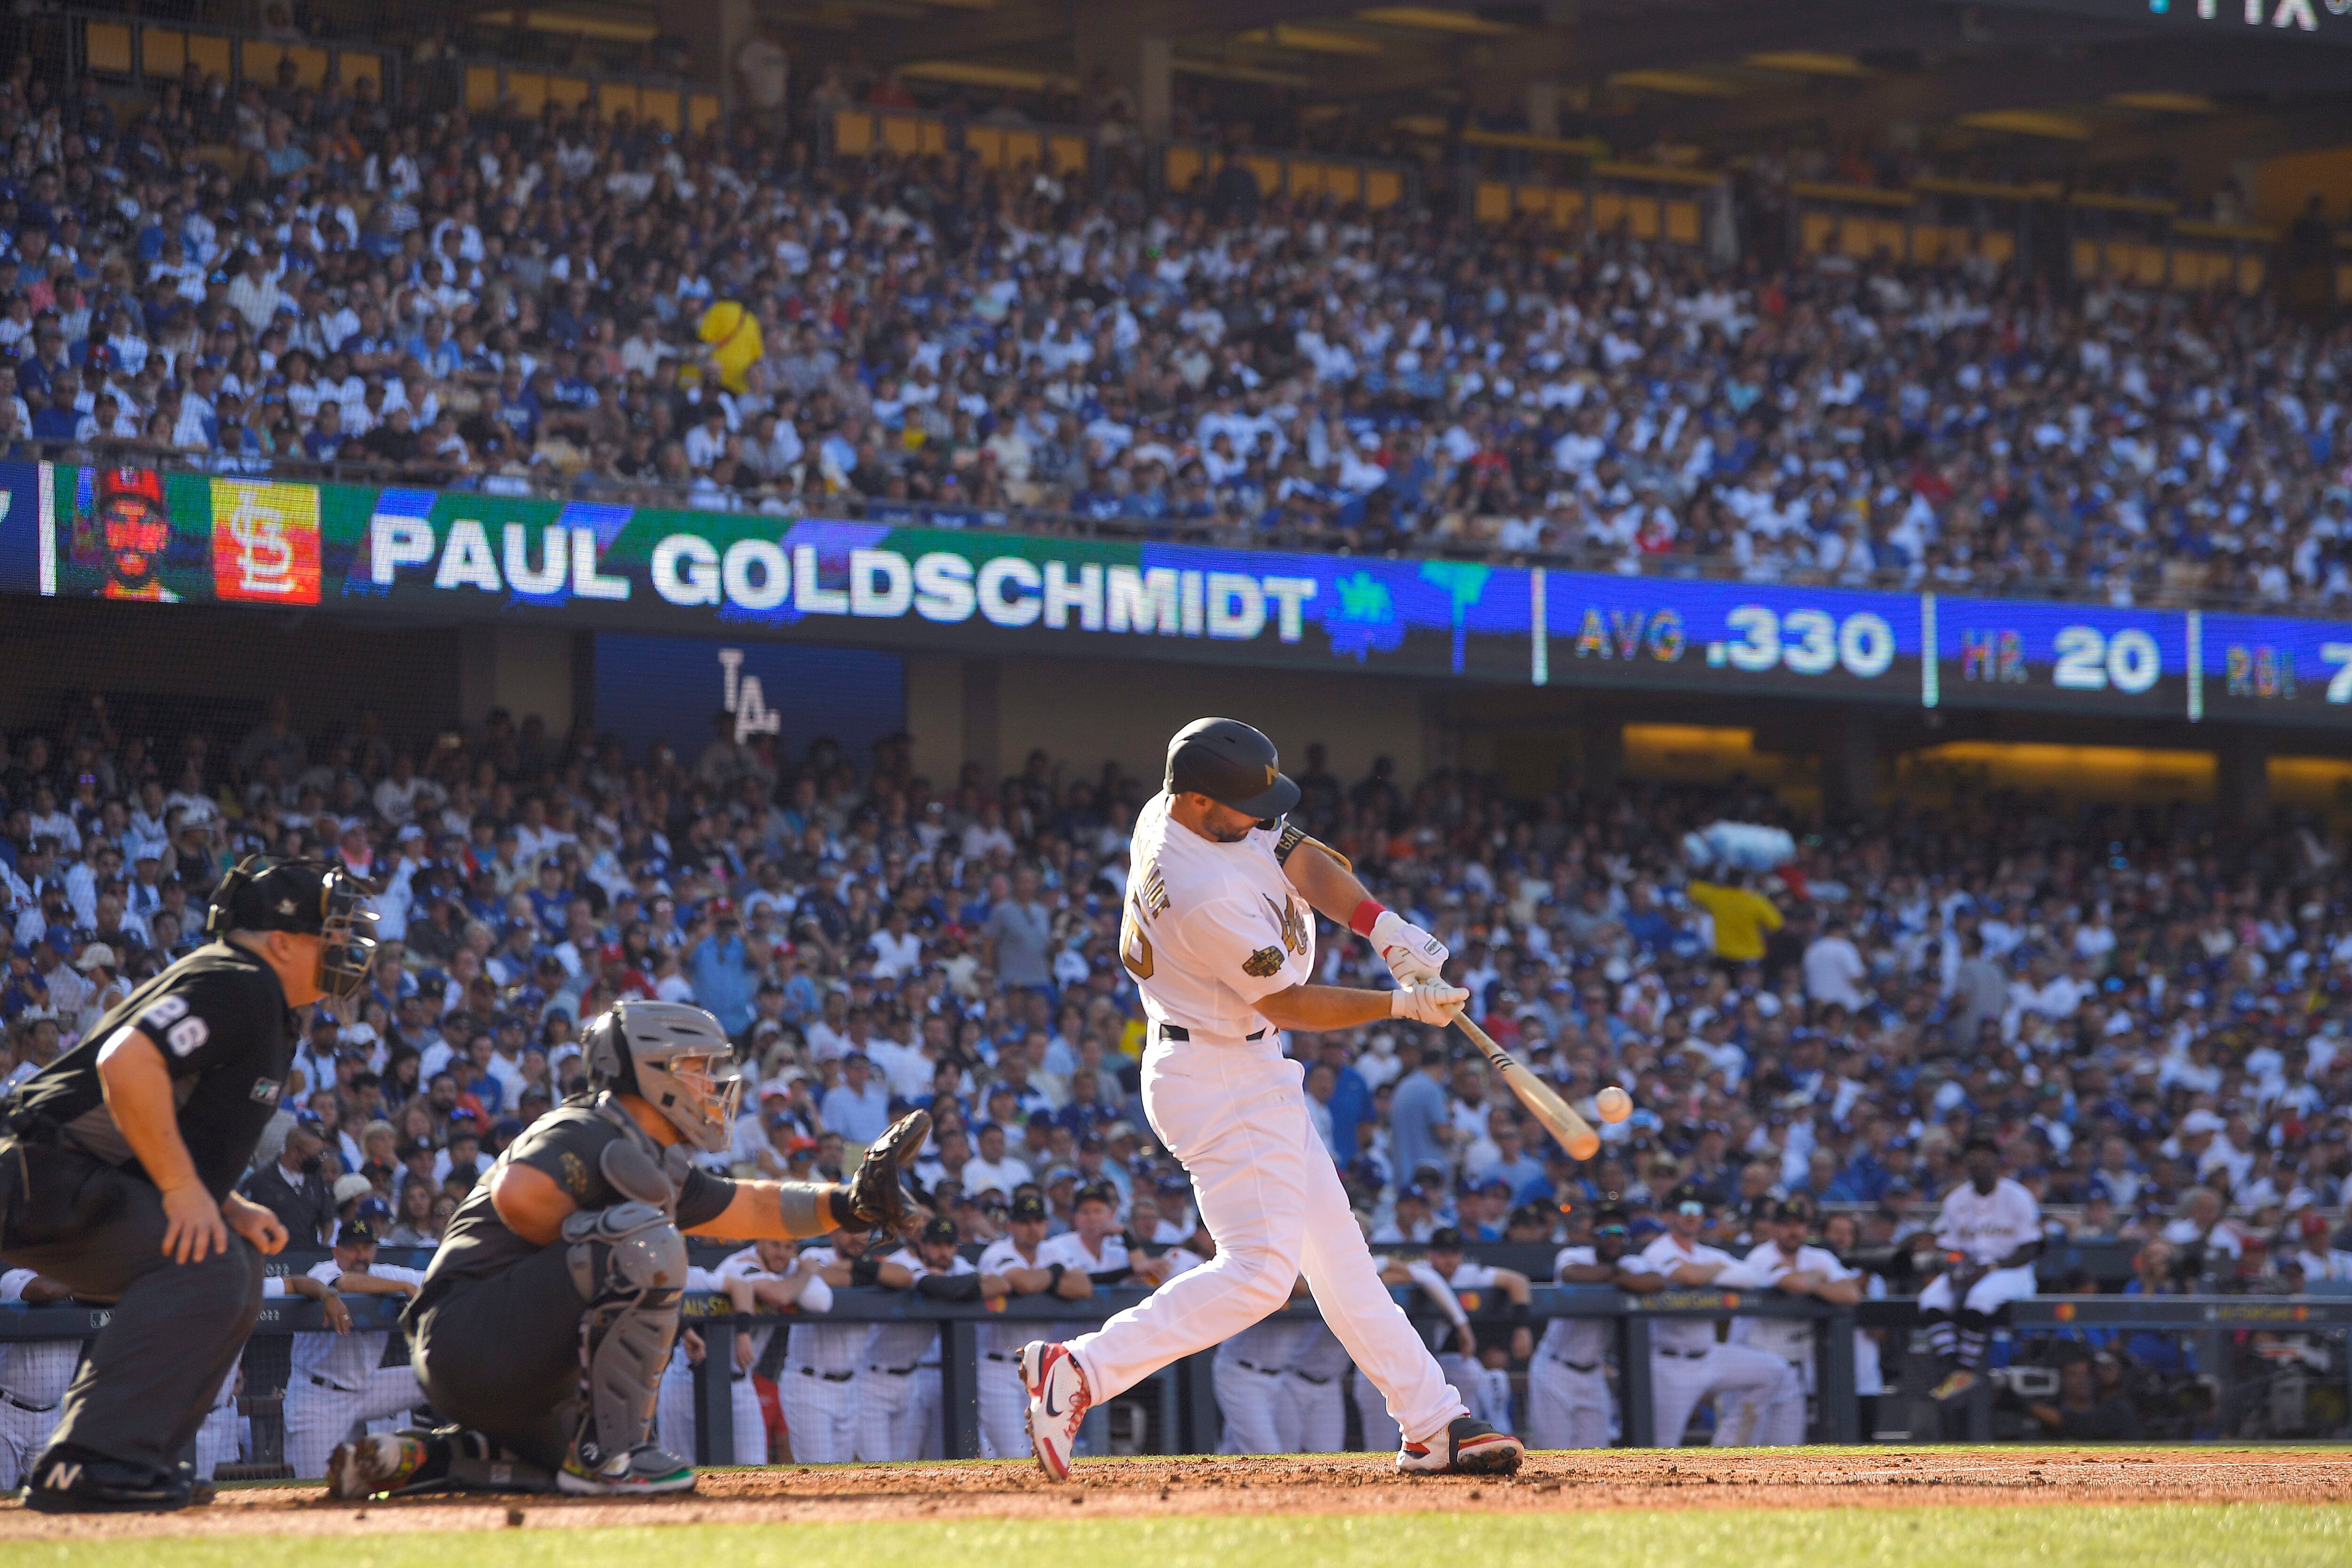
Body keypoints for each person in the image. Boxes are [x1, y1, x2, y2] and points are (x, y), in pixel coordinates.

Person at [1018, 718, 1519, 1480]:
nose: (1261, 815)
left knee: (1342, 1261)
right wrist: (1399, 1006)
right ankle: (1078, 1369)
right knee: (1260, 1270)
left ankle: (1434, 1422)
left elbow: (1292, 852)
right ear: (1194, 799)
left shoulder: (1184, 811)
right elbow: (1286, 1003)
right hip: (1216, 1073)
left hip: (1240, 1062)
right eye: (1243, 803)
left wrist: (1380, 925)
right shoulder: (1200, 885)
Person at [326, 998, 930, 1498]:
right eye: (696, 1065)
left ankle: (432, 1458)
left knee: (554, 1472)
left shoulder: (650, 1154)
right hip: (471, 1332)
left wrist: (849, 1204)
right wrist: (610, 1244)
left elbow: (750, 1204)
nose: (711, 1082)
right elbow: (519, 1193)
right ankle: (613, 1455)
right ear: (650, 1069)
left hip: (512, 1373)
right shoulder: (584, 1128)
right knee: (644, 1239)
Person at [0, 856, 372, 1512]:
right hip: (39, 1167)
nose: (347, 945)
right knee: (208, 1258)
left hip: (73, 1175)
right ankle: (88, 1460)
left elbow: (154, 1114)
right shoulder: (240, 979)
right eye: (332, 931)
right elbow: (127, 1063)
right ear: (283, 939)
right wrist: (184, 1191)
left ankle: (133, 1459)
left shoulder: (263, 998)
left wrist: (221, 1199)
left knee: (235, 1259)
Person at [1618, 1181, 1802, 1447]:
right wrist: (1714, 1271)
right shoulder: (1659, 1250)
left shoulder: (1709, 1254)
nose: (1692, 1215)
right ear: (1669, 1215)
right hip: (1671, 1362)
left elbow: (1749, 1277)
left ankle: (1726, 1448)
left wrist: (1708, 1269)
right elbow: (1687, 1276)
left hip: (1710, 1355)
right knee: (1659, 1450)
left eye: (1698, 1209)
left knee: (1775, 1371)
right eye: (1684, 1208)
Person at [279, 1216, 429, 1478]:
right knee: (317, 1486)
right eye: (353, 1248)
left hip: (366, 1389)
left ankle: (460, 1443)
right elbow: (346, 1284)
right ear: (337, 1251)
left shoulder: (383, 1273)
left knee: (437, 1374)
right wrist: (404, 1287)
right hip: (318, 1397)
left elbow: (433, 1278)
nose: (361, 1255)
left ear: (375, 1250)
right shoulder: (322, 1271)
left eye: (366, 1248)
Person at [1916, 1136, 2043, 1402]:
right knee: (1931, 1299)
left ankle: (1965, 1369)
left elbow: (2030, 1249)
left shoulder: (2018, 1196)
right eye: (1973, 1156)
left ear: (1998, 1163)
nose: (1979, 1161)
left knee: (1981, 1297)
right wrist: (1954, 1268)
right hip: (1971, 1268)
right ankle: (1955, 1370)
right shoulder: (1956, 1200)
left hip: (2012, 1271)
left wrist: (1991, 1268)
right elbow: (1949, 1248)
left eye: (1986, 1156)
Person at [1725, 1199, 1860, 1444]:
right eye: (1787, 1224)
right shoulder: (1761, 1256)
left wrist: (1812, 1282)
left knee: (1787, 1453)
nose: (1794, 1231)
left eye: (1800, 1224)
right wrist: (1821, 1280)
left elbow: (1850, 1294)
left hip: (1794, 1373)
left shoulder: (1818, 1257)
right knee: (1741, 1449)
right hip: (1756, 1369)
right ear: (1773, 1228)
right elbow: (1795, 1284)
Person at [972, 1192, 1092, 1459]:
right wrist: (1056, 1274)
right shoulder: (998, 1252)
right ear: (1011, 1225)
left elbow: (1083, 1287)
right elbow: (1022, 1283)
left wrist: (1044, 1278)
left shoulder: (1053, 1251)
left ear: (1046, 1224)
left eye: (1038, 1220)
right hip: (997, 1368)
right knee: (1014, 1453)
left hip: (1039, 1370)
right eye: (1024, 1221)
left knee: (1042, 1449)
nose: (1032, 1227)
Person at [858, 1215, 983, 1460]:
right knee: (877, 1463)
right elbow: (934, 1286)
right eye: (936, 1245)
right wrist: (953, 1285)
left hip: (910, 1379)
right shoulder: (901, 1263)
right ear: (923, 1245)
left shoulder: (958, 1267)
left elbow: (990, 1282)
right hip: (871, 1378)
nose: (943, 1251)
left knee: (907, 1462)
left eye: (949, 1244)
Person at [1526, 1205, 1631, 1449]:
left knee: (1597, 1460)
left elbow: (1654, 1282)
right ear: (1595, 1236)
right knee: (1553, 1457)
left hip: (1593, 1375)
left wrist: (1616, 1275)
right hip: (1555, 1369)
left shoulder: (1632, 1262)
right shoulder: (1573, 1255)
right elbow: (1572, 1274)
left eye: (1620, 1233)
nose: (1613, 1239)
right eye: (1607, 1233)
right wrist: (1619, 1276)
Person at [0, 1268, 77, 1489]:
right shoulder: (15, 1277)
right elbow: (45, 1290)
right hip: (8, 1414)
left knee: (50, 1497)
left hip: (52, 1417)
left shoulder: (84, 1286)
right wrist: (87, 1282)